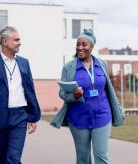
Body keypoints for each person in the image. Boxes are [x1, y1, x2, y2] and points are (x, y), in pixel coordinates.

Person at [51, 29, 124, 164]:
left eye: (84, 44)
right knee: (83, 156)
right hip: (79, 117)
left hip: (102, 115)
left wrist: (118, 108)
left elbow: (109, 89)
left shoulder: (101, 64)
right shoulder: (69, 68)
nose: (80, 47)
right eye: (78, 44)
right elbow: (62, 93)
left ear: (92, 46)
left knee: (101, 155)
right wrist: (74, 95)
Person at [0, 26, 41, 164]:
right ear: (5, 41)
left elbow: (30, 90)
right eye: (16, 40)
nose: (20, 42)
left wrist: (32, 115)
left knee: (13, 158)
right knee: (0, 159)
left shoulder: (24, 62)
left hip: (20, 117)